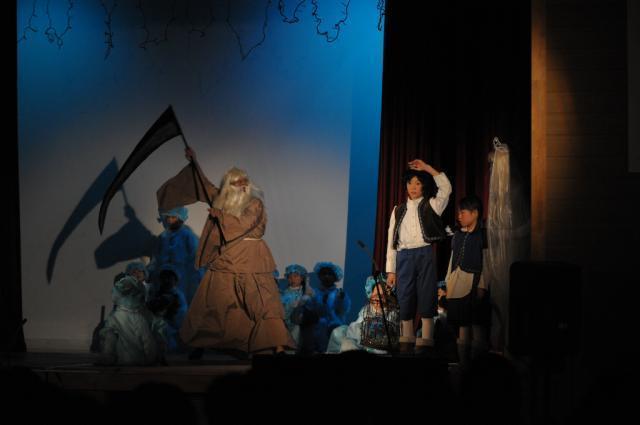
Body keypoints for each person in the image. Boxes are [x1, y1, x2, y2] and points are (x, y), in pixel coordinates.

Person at [157, 147, 294, 357]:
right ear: (229, 186)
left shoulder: (254, 203)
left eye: (244, 181)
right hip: (227, 260)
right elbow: (205, 186)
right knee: (215, 302)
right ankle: (201, 344)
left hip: (251, 259)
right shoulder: (222, 201)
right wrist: (194, 162)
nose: (242, 186)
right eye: (237, 182)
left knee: (262, 302)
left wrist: (220, 216)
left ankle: (278, 346)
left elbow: (245, 223)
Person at [385, 159, 452, 354]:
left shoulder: (431, 205)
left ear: (423, 186)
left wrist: (428, 169)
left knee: (427, 296)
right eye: (410, 183)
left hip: (424, 253)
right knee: (404, 297)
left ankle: (426, 342)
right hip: (404, 257)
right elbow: (391, 241)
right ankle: (406, 343)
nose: (413, 187)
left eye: (417, 183)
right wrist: (391, 270)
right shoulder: (398, 210)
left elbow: (446, 189)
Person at [445, 195, 490, 368]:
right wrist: (448, 282)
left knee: (477, 325)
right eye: (459, 213)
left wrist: (482, 285)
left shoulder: (482, 236)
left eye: (463, 212)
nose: (459, 216)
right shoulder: (457, 235)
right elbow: (452, 260)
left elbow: (486, 262)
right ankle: (464, 365)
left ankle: (478, 367)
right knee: (462, 326)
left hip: (473, 282)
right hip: (457, 283)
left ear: (475, 213)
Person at [97, 275, 165, 365]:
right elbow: (148, 341)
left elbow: (109, 341)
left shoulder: (114, 317)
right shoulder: (140, 318)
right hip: (140, 361)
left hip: (122, 360)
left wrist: (107, 358)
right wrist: (151, 360)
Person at [327, 274, 399, 354]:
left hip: (378, 343)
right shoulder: (367, 309)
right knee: (339, 335)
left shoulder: (392, 312)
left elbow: (389, 332)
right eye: (375, 295)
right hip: (361, 339)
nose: (378, 299)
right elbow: (357, 327)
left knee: (349, 345)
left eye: (382, 296)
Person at [149, 206, 204, 306]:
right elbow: (156, 258)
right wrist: (149, 273)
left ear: (180, 218)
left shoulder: (188, 236)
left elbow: (197, 257)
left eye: (173, 217)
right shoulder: (163, 237)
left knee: (181, 306)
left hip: (183, 279)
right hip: (164, 279)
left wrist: (200, 277)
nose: (170, 220)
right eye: (168, 217)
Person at [307, 261, 351, 353]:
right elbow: (310, 309)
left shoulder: (338, 293)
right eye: (324, 274)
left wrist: (341, 300)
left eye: (330, 274)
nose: (326, 276)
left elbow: (343, 310)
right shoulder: (315, 292)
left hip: (335, 325)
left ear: (335, 277)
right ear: (320, 276)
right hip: (317, 328)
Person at [279, 264, 314, 350]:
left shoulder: (306, 292)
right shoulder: (284, 293)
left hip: (299, 324)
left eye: (295, 276)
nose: (292, 279)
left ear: (301, 278)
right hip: (286, 323)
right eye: (290, 277)